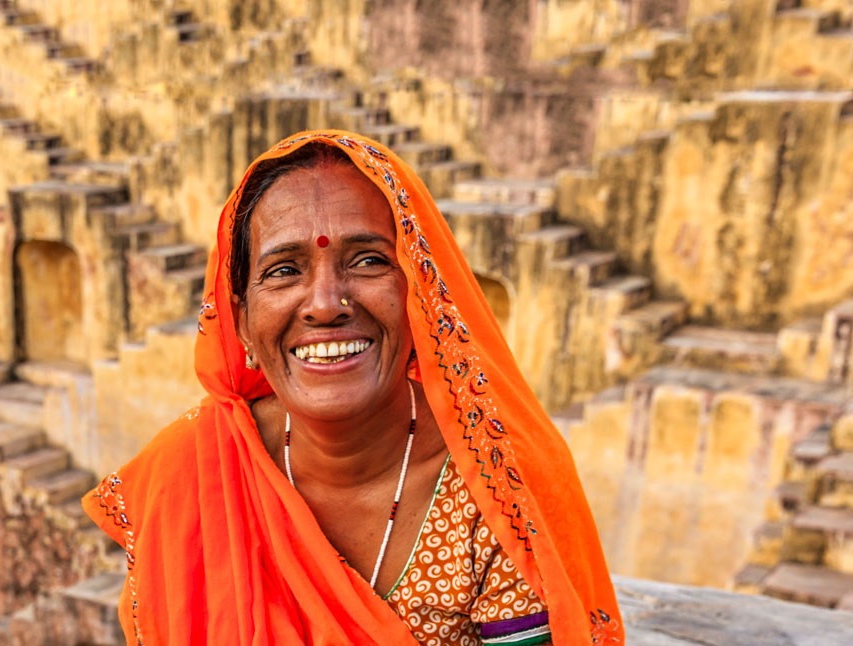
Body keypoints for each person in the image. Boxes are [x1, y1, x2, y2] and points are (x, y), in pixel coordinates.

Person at [82, 131, 622, 646]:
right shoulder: (191, 475)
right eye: (284, 270)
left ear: (421, 300)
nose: (324, 303)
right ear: (240, 322)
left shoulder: (497, 490)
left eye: (368, 261)